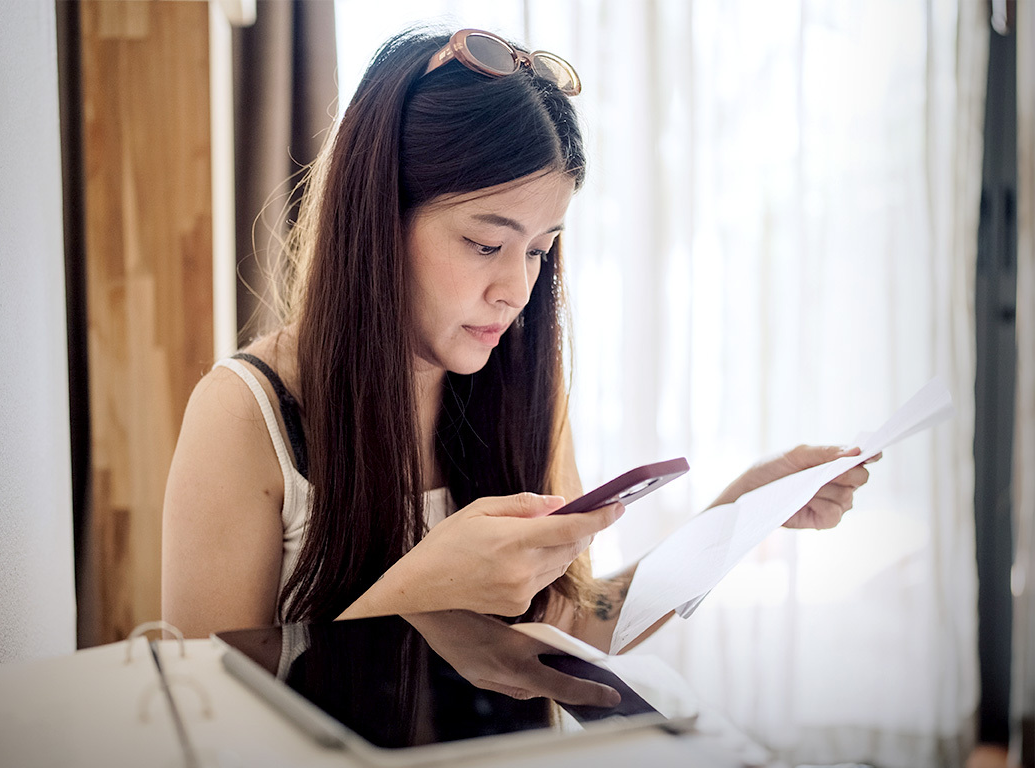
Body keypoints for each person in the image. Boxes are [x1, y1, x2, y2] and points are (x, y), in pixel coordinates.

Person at [161, 26, 873, 650]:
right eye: (482, 244)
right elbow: (211, 724)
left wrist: (739, 511)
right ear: (377, 220)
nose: (517, 290)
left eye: (538, 250)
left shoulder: (508, 382)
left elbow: (574, 626)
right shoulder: (245, 415)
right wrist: (422, 588)